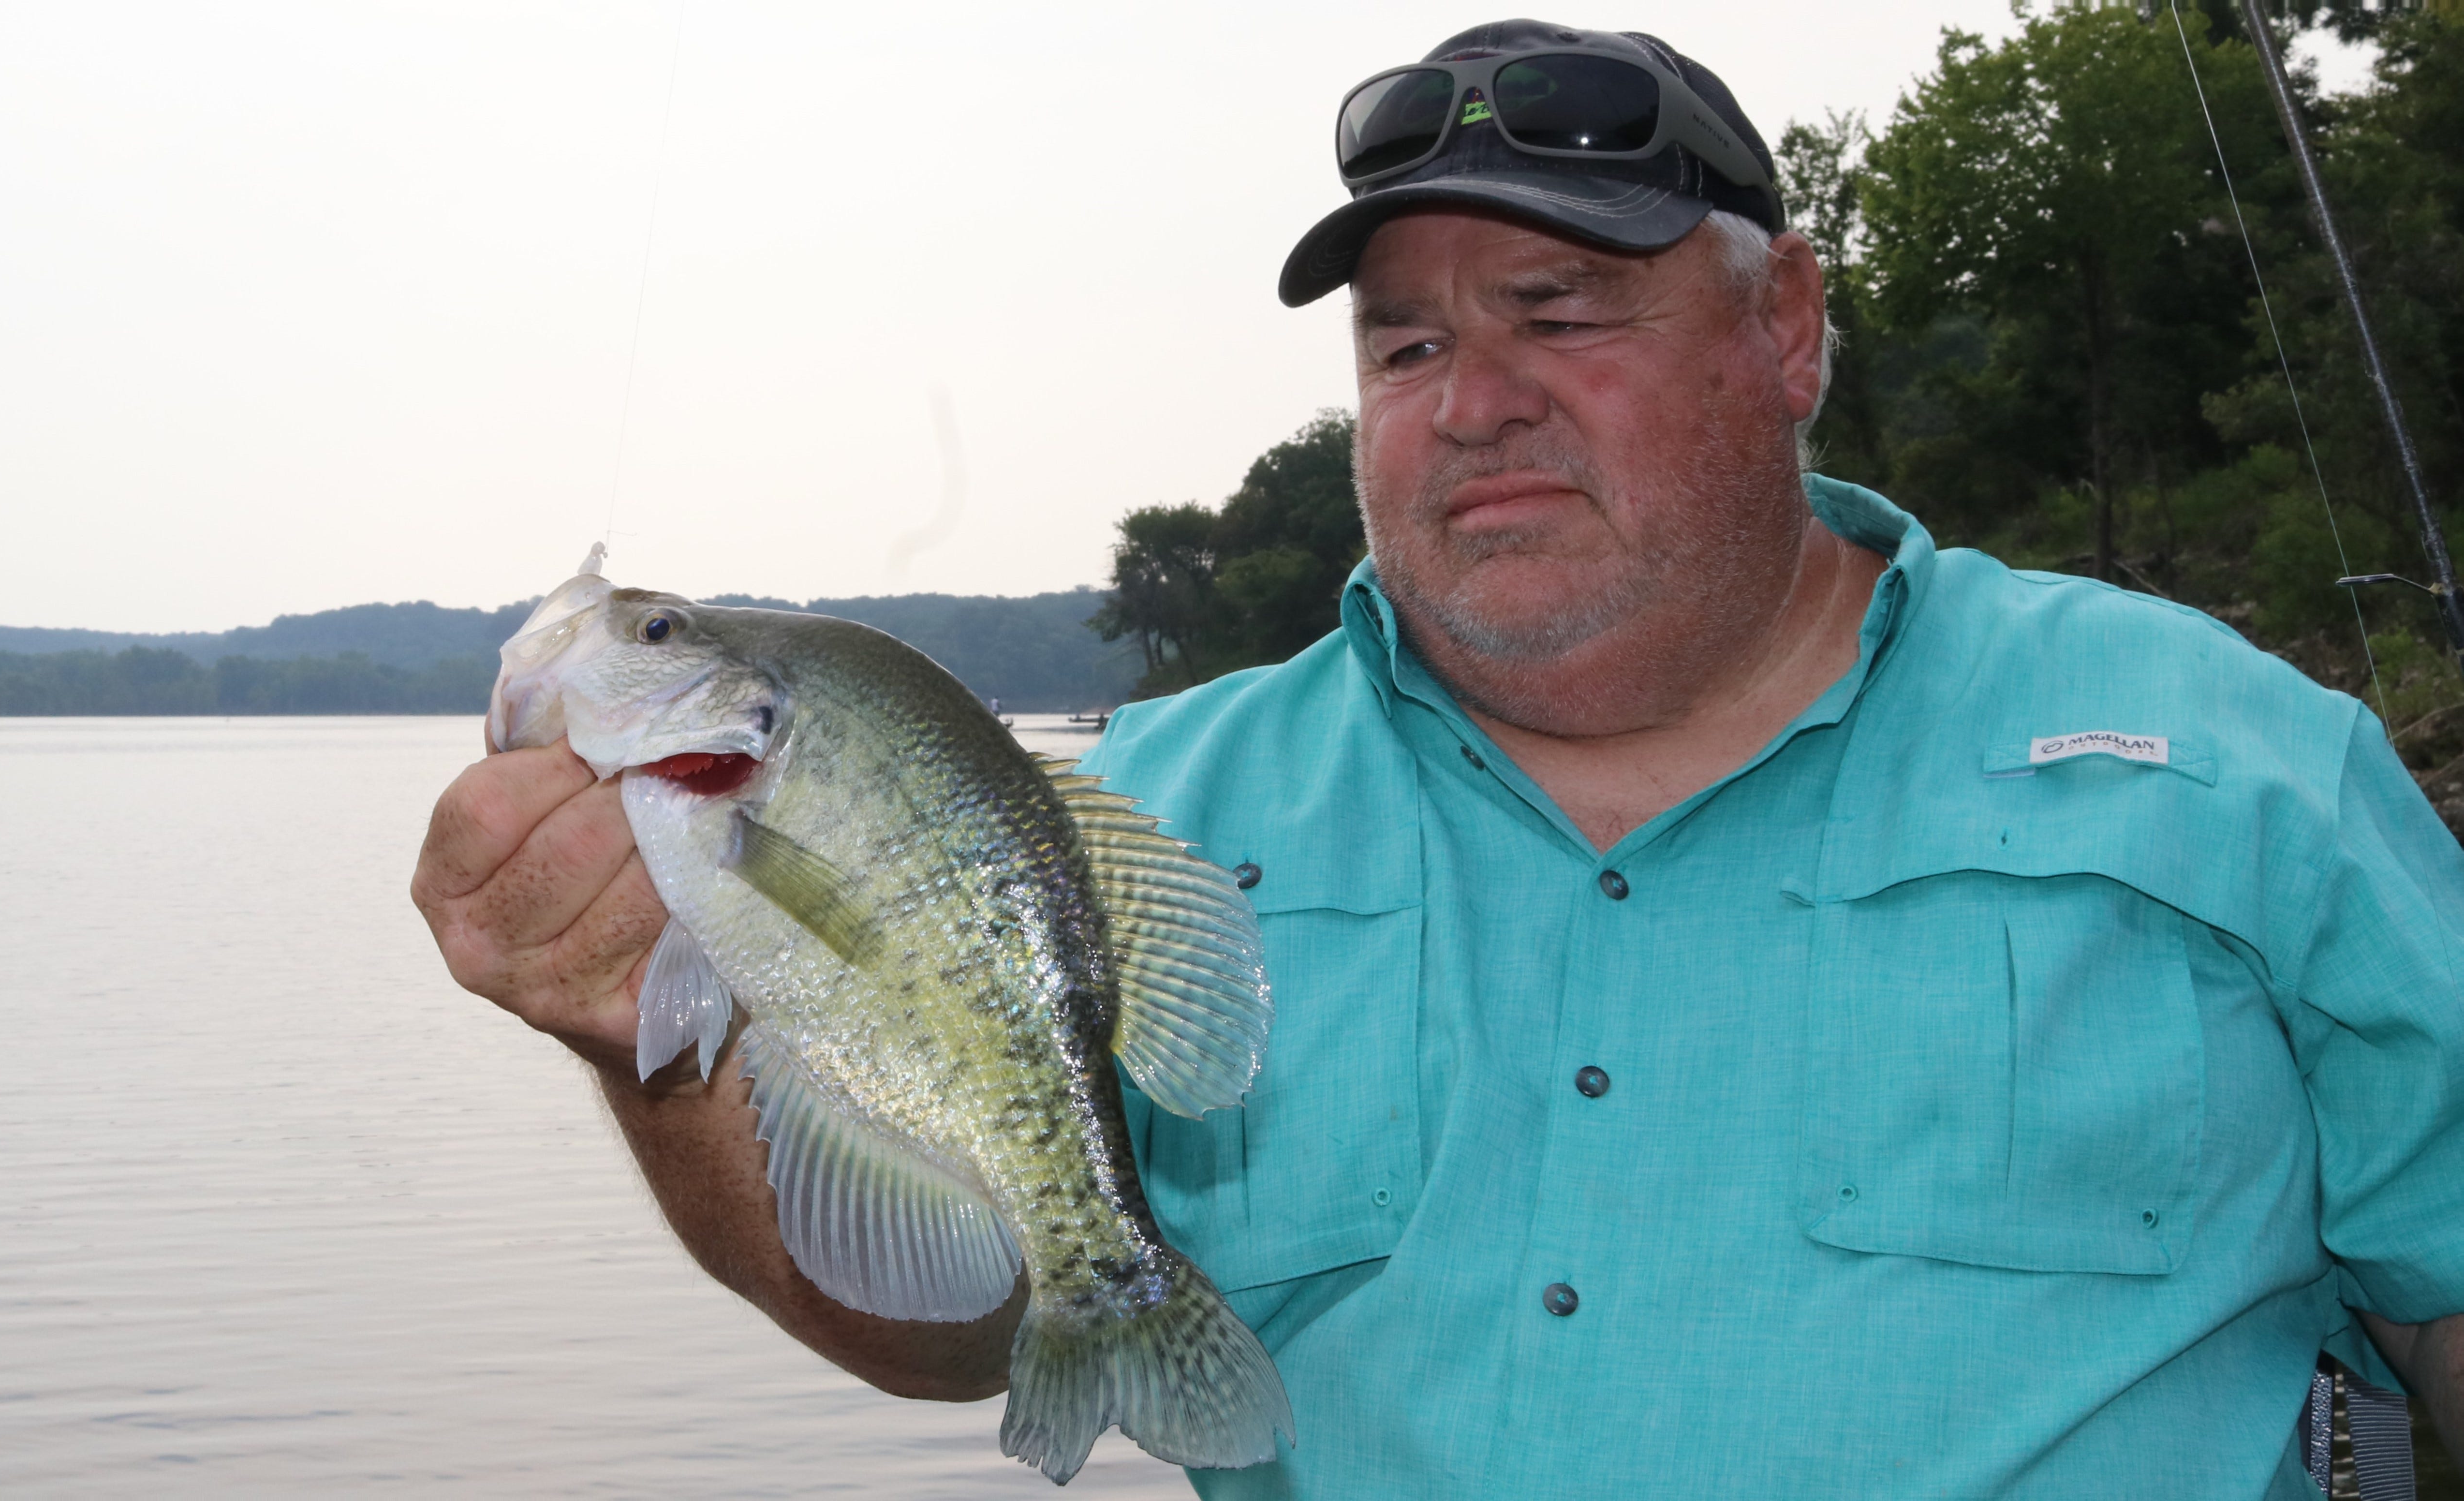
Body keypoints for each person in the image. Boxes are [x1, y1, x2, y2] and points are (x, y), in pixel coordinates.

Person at [412, 20, 2464, 1497]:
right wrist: (641, 1034)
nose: (1469, 400)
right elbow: (946, 1327)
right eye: (1403, 344)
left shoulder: (2236, 768)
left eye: (1559, 312)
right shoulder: (1144, 808)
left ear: (1789, 332)